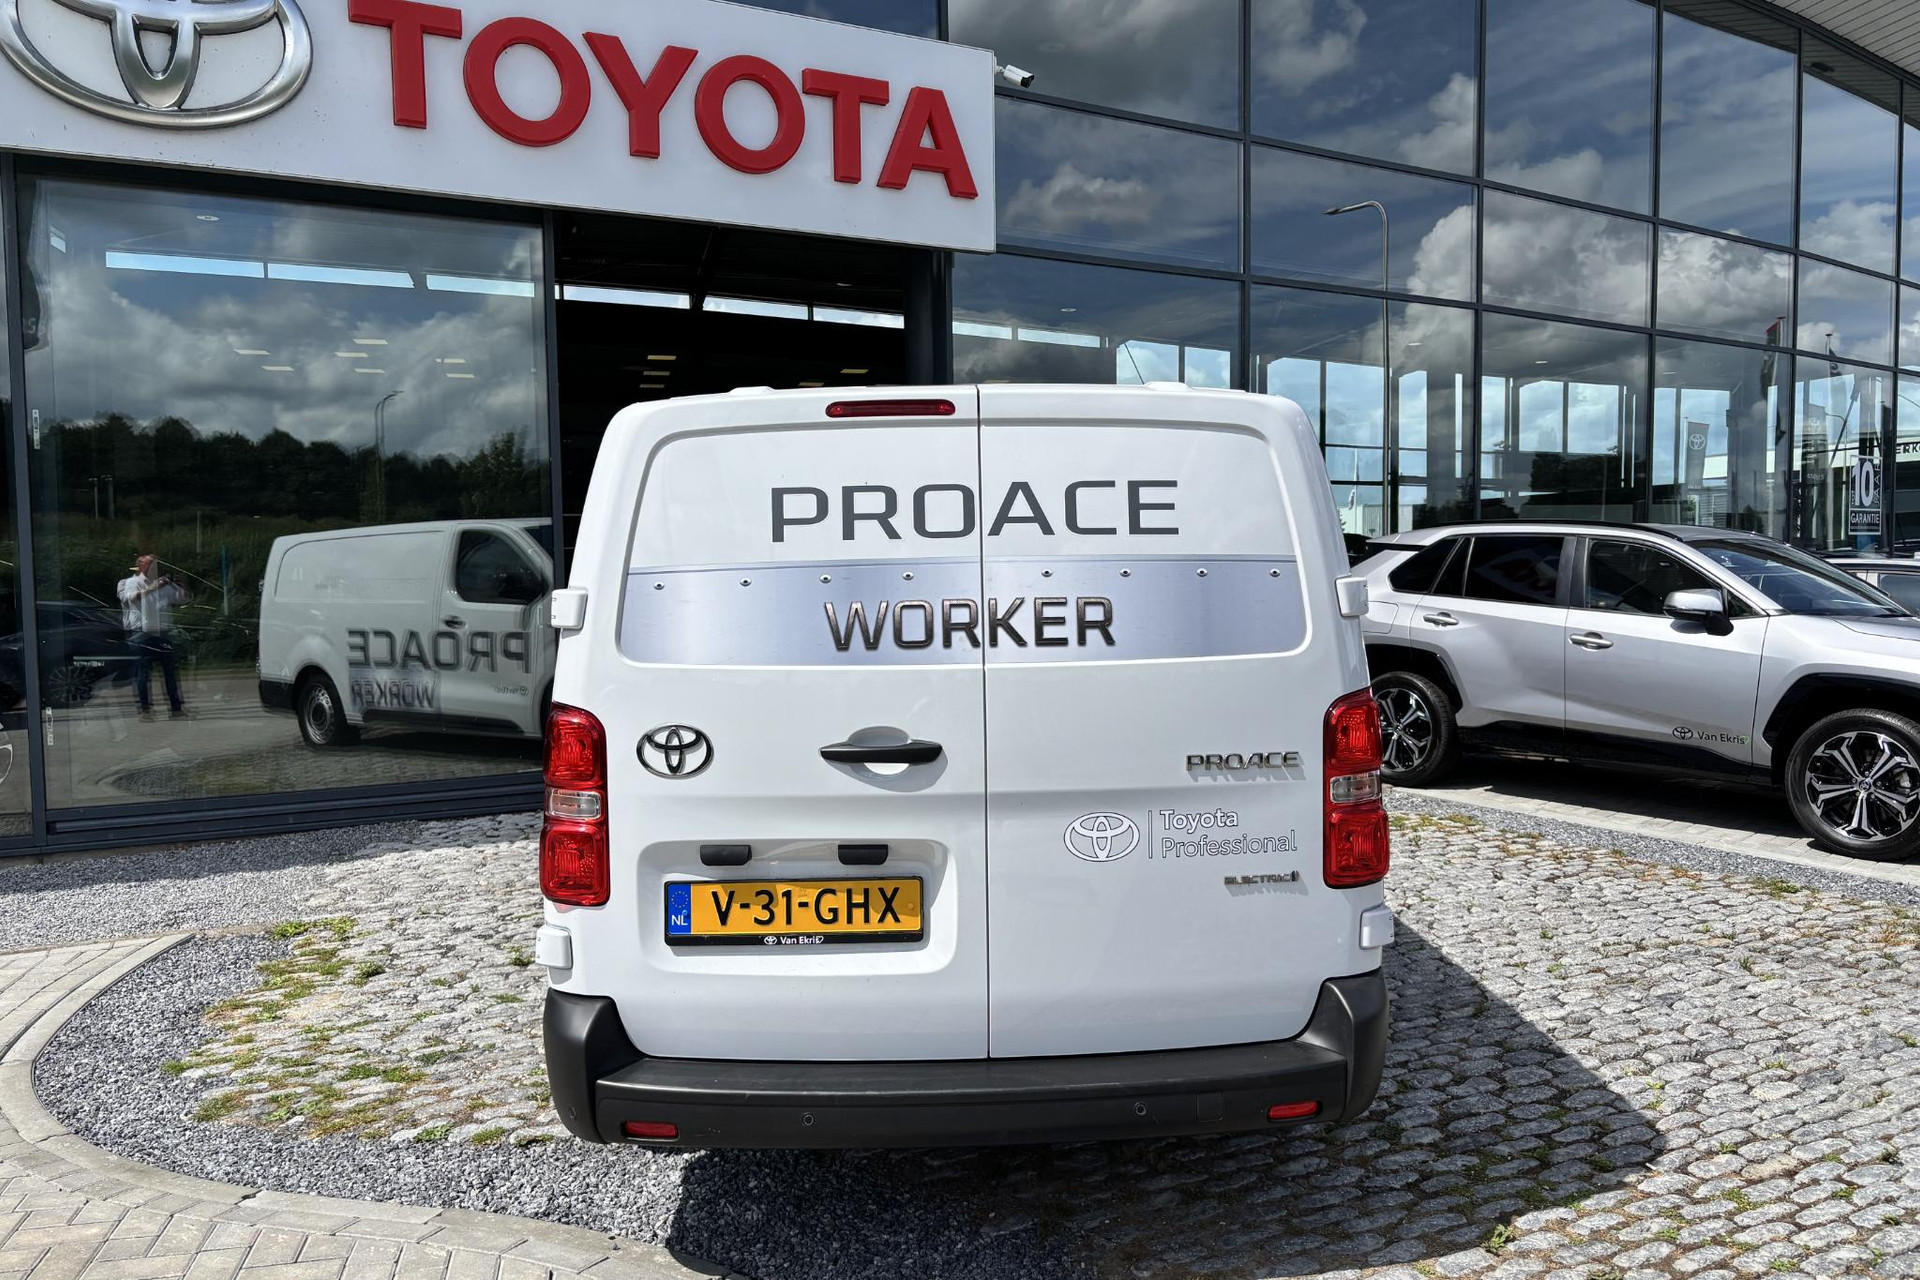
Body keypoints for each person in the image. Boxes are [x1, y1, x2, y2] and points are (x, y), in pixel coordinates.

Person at [117, 554, 188, 720]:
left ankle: (176, 709)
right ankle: (145, 710)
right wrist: (152, 588)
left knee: (170, 672)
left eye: (157, 565)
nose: (155, 568)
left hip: (163, 632)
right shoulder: (131, 582)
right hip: (141, 633)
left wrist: (183, 586)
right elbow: (130, 599)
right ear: (141, 566)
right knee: (143, 673)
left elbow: (183, 600)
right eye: (151, 565)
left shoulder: (165, 584)